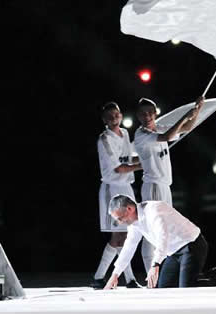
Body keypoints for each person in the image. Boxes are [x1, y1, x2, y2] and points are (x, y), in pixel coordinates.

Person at [103, 194, 208, 289]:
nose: (120, 223)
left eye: (120, 218)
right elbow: (129, 247)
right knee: (163, 288)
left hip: (191, 245)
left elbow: (163, 238)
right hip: (173, 252)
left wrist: (155, 265)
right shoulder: (134, 223)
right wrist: (115, 275)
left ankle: (211, 279)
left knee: (186, 289)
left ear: (129, 208)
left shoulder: (154, 211)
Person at [92, 101, 142, 289]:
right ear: (104, 120)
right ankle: (99, 276)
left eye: (117, 115)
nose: (114, 118)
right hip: (112, 189)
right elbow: (120, 167)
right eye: (110, 116)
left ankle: (128, 279)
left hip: (127, 188)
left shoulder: (126, 134)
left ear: (121, 116)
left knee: (126, 235)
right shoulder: (104, 139)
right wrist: (143, 164)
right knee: (118, 237)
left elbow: (130, 159)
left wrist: (149, 155)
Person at [134, 96, 204, 207]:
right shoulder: (141, 134)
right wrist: (185, 117)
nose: (147, 116)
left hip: (165, 186)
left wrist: (198, 107)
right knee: (157, 223)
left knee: (166, 222)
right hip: (154, 185)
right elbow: (167, 137)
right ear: (138, 116)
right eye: (143, 113)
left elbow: (187, 128)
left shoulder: (159, 128)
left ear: (156, 113)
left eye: (150, 112)